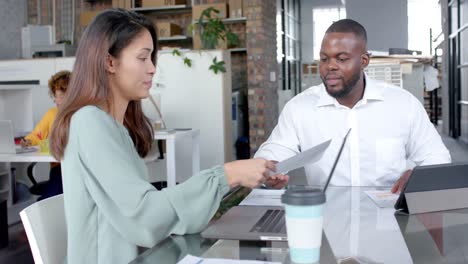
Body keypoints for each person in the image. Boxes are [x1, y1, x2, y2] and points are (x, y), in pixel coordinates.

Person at [49, 9, 287, 264]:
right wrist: (228, 174)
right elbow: (145, 217)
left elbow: (147, 213)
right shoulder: (89, 122)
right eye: (142, 58)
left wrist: (236, 176)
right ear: (110, 62)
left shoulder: (114, 126)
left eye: (152, 57)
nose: (152, 68)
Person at [255, 19, 451, 192]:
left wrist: (418, 177)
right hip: (328, 219)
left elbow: (436, 157)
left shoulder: (403, 104)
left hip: (389, 217)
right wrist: (270, 170)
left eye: (341, 59)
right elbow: (274, 152)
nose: (330, 66)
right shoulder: (300, 107)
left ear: (364, 61)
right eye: (324, 59)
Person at [21, 70, 70, 200]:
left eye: (61, 96)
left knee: (51, 197)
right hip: (58, 167)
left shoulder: (82, 113)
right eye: (55, 95)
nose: (57, 100)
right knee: (52, 196)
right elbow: (38, 135)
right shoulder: (51, 114)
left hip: (74, 168)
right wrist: (28, 141)